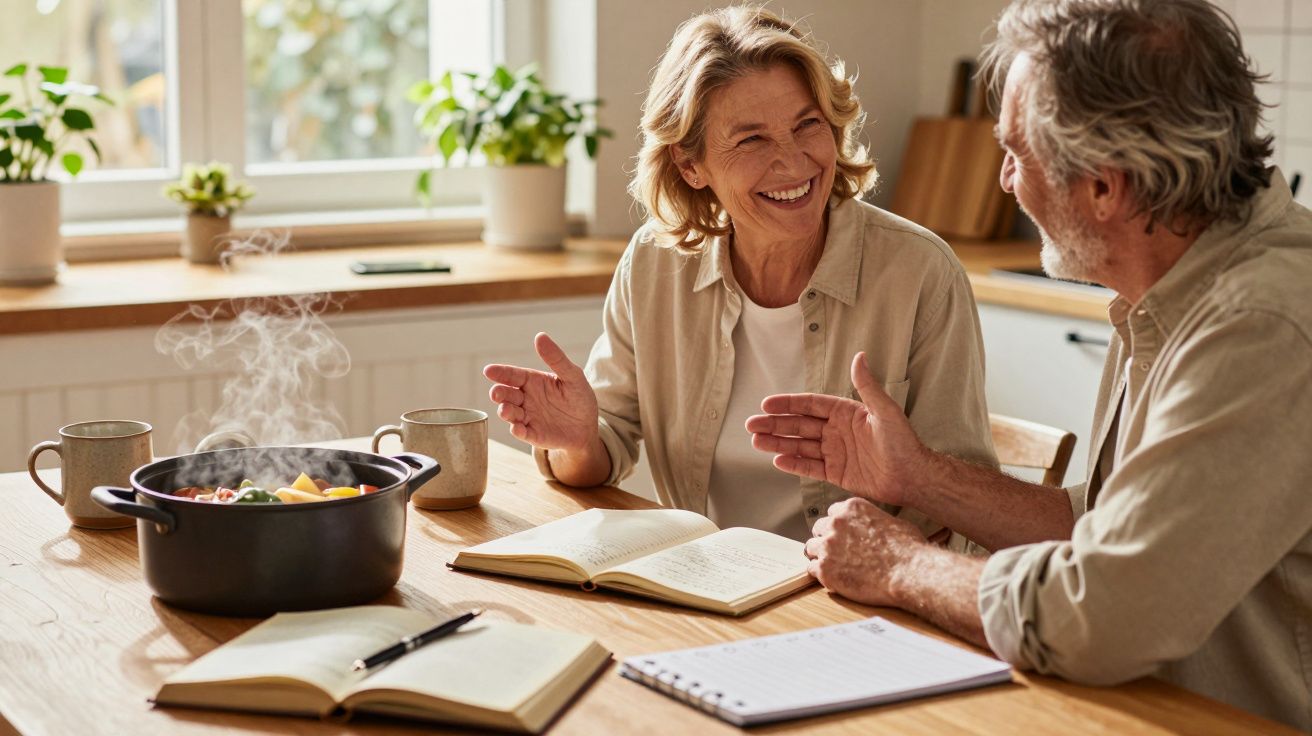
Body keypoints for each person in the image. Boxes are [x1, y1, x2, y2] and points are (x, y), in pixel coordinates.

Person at [747, 0, 1312, 728]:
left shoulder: (1257, 327)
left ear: (1105, 187)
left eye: (1017, 152)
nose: (1007, 181)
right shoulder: (1170, 281)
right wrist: (918, 477)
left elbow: (1103, 613)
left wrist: (899, 565)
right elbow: (1102, 529)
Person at [483, 6, 996, 544]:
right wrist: (579, 439)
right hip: (703, 583)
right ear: (690, 166)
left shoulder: (919, 271)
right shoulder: (656, 266)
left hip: (862, 596)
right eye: (752, 140)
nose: (794, 162)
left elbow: (960, 500)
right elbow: (603, 449)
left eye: (808, 125)